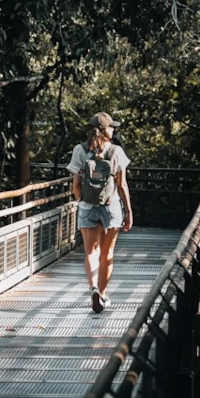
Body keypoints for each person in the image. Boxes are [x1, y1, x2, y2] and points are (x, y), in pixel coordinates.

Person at [66, 112, 133, 313]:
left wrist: (82, 200)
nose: (114, 130)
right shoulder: (116, 151)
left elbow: (75, 185)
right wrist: (128, 211)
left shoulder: (80, 150)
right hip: (111, 206)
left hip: (87, 206)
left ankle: (93, 288)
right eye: (112, 127)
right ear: (106, 129)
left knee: (90, 251)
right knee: (107, 253)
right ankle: (103, 295)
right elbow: (122, 185)